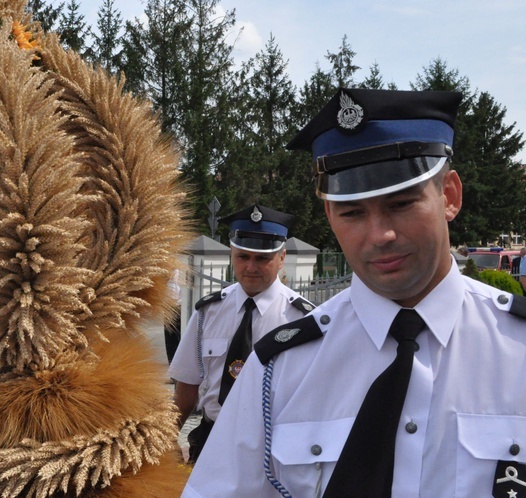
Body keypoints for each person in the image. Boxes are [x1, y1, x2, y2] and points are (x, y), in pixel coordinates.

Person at [182, 88, 526, 497]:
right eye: (353, 212)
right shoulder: (280, 368)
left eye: (401, 204)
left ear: (449, 196)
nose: (380, 235)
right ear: (330, 214)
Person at [168, 204, 314, 463]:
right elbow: (187, 388)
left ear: (281, 258)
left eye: (262, 258)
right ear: (231, 255)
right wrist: (167, 440)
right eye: (243, 257)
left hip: (274, 446)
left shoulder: (302, 319)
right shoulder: (208, 313)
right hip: (212, 441)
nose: (251, 267)